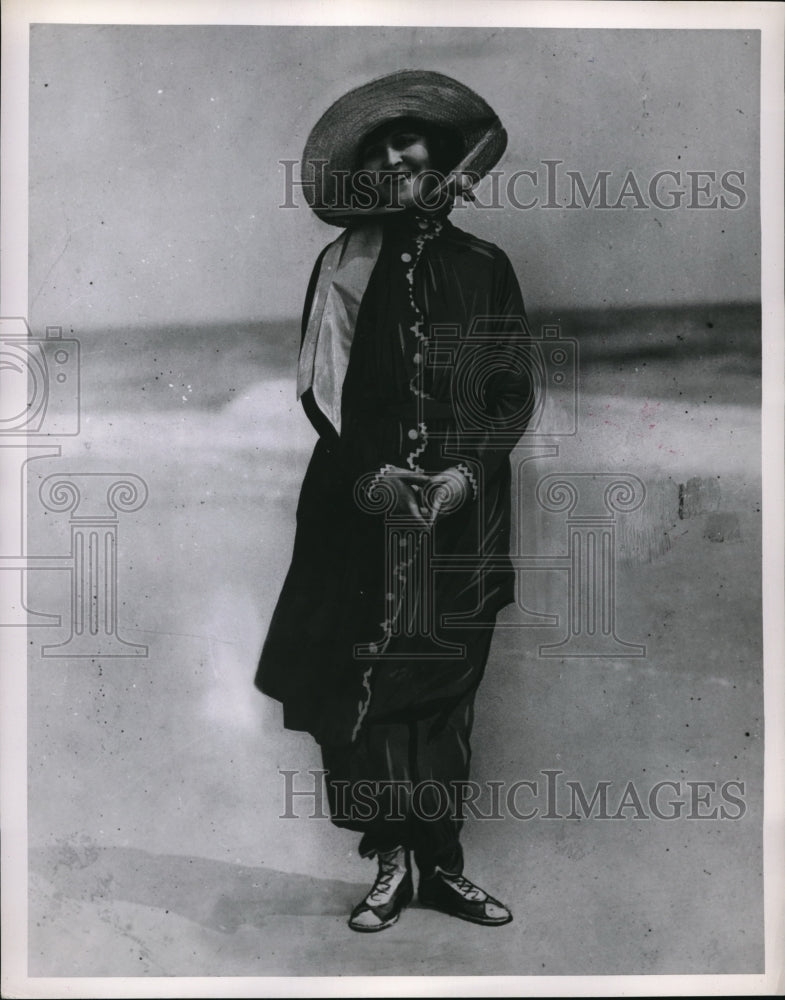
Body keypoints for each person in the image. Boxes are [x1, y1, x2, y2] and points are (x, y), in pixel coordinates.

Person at [256, 69, 535, 932]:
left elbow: (508, 393)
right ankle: (391, 862)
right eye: (378, 147)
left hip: (462, 515)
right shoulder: (341, 264)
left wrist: (464, 473)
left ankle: (438, 866)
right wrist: (368, 479)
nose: (392, 155)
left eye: (407, 139)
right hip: (362, 510)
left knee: (447, 690)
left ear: (444, 156)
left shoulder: (484, 266)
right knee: (367, 684)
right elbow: (321, 397)